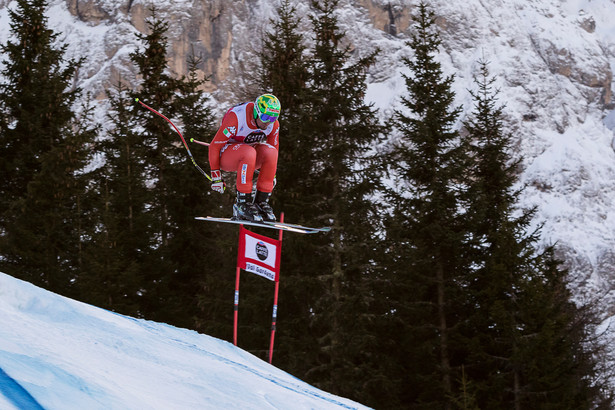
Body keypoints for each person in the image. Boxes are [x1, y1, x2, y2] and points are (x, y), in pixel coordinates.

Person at [208, 93, 281, 222]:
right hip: (227, 155)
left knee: (271, 152)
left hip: (248, 155)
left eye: (273, 118)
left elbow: (273, 147)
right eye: (265, 117)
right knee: (249, 152)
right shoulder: (236, 118)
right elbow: (214, 146)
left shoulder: (272, 124)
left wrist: (272, 174)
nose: (268, 122)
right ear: (257, 112)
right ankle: (242, 204)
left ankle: (261, 202)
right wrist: (216, 176)